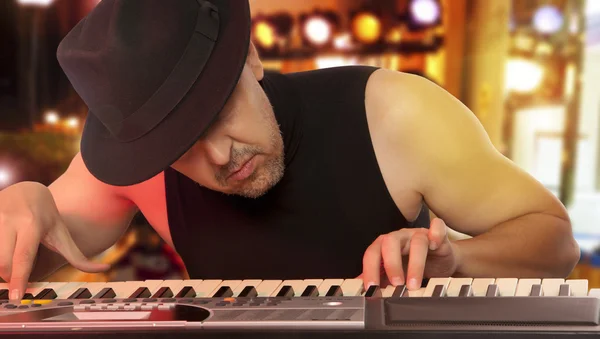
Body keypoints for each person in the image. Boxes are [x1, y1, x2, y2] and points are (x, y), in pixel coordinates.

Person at [0, 0, 580, 301]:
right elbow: (27, 255)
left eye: (218, 111)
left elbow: (555, 241)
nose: (220, 154)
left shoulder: (395, 112)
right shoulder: (140, 166)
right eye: (180, 145)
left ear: (250, 58)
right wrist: (21, 204)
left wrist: (457, 262)